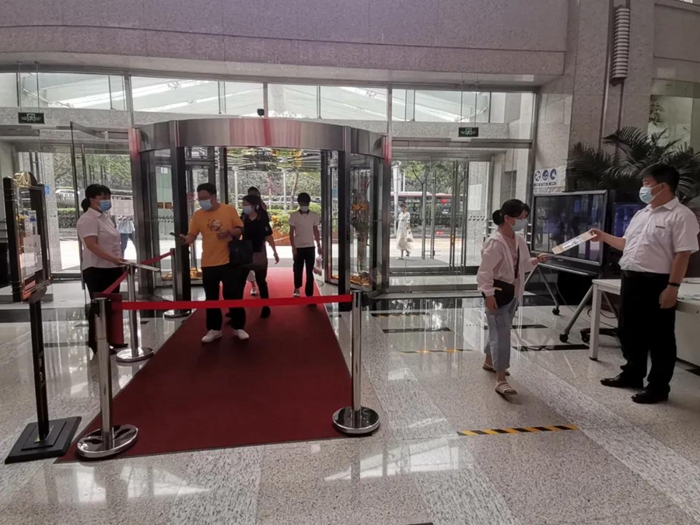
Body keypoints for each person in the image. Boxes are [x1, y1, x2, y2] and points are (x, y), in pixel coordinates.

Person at [591, 164, 700, 404]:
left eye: (647, 183)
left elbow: (683, 254)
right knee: (628, 330)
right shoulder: (642, 213)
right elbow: (626, 244)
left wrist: (672, 287)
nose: (643, 188)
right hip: (631, 279)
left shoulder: (681, 215)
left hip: (657, 282)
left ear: (663, 186)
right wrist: (604, 236)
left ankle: (658, 387)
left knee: (659, 337)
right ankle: (632, 374)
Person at [477, 199, 548, 396]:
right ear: (507, 218)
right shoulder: (495, 243)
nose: (523, 221)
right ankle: (501, 379)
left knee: (500, 329)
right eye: (521, 218)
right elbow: (484, 272)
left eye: (525, 218)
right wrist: (488, 294)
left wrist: (536, 260)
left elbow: (522, 265)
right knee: (501, 334)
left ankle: (490, 361)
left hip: (513, 292)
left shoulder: (518, 240)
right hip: (498, 293)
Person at [180, 183, 246, 343]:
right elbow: (192, 234)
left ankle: (238, 327)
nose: (202, 201)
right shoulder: (198, 215)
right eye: (200, 199)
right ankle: (214, 329)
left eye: (205, 198)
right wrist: (186, 239)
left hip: (229, 261)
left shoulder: (228, 210)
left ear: (214, 196)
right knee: (211, 297)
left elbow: (240, 228)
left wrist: (229, 232)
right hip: (208, 262)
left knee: (233, 294)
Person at [76, 184, 126, 354]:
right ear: (91, 199)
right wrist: (113, 259)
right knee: (99, 307)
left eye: (108, 197)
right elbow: (92, 245)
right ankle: (97, 341)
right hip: (97, 269)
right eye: (103, 198)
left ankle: (112, 339)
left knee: (110, 306)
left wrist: (117, 260)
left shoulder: (105, 217)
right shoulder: (88, 219)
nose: (107, 201)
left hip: (112, 267)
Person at [234, 194, 279, 322]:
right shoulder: (242, 219)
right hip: (245, 254)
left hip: (259, 253)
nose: (244, 207)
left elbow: (269, 236)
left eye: (246, 204)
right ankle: (236, 309)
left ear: (254, 206)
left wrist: (275, 252)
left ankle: (265, 306)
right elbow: (237, 234)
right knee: (239, 283)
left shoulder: (262, 219)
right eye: (243, 205)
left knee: (261, 282)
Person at [288, 192, 321, 297]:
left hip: (310, 247)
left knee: (309, 271)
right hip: (298, 247)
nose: (304, 205)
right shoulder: (293, 216)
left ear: (309, 203)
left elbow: (316, 230)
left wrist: (318, 245)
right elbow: (291, 232)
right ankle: (297, 288)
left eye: (306, 203)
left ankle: (309, 293)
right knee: (297, 269)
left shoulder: (314, 215)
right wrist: (293, 247)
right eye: (302, 203)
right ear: (298, 203)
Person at [244, 187, 267, 297]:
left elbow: (268, 232)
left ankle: (265, 303)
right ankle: (253, 285)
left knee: (261, 276)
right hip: (246, 247)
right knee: (245, 271)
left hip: (259, 247)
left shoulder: (262, 210)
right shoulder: (244, 214)